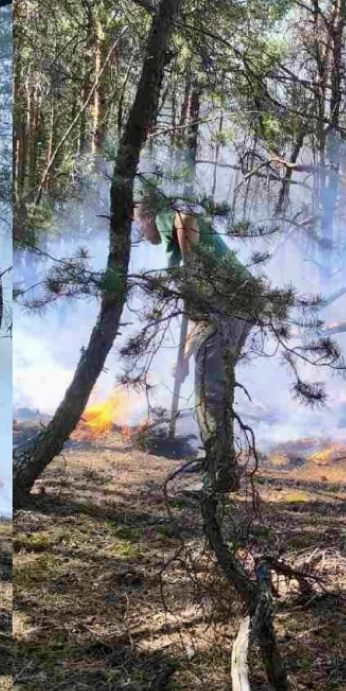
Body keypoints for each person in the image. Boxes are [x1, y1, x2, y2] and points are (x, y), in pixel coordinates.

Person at [133, 186, 257, 492]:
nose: (137, 227)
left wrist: (189, 267)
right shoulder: (169, 241)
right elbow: (197, 313)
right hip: (234, 303)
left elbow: (186, 217)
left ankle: (220, 475)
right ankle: (217, 462)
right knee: (214, 383)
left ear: (147, 214)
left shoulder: (165, 219)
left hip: (229, 304)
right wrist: (184, 358)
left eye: (137, 219)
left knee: (209, 390)